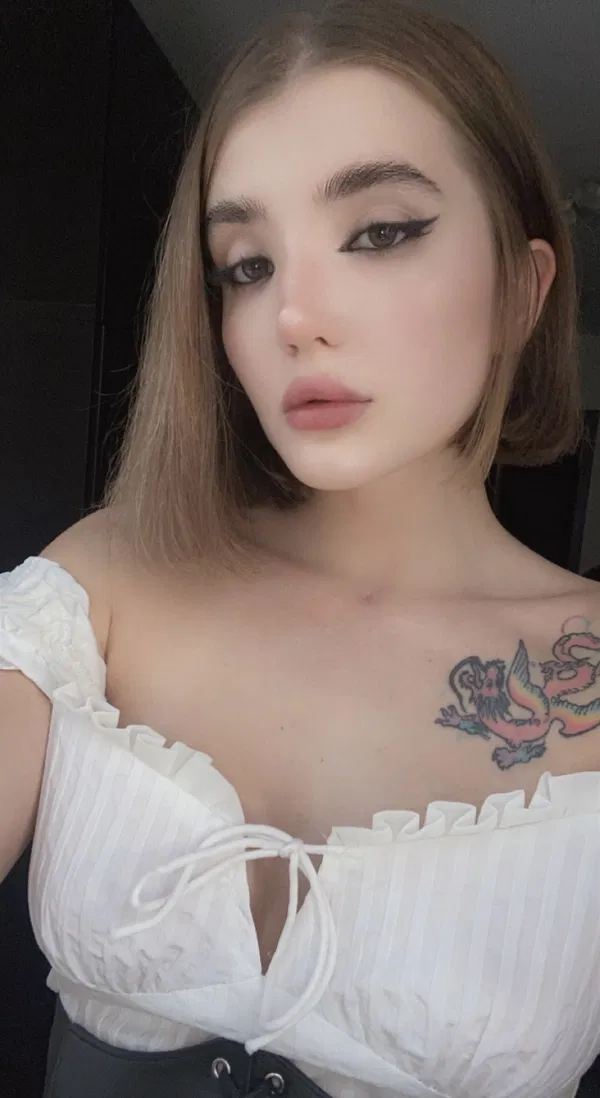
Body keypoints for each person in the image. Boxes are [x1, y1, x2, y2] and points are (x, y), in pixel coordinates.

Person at [1, 1, 599, 1095]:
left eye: (380, 232)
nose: (294, 315)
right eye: (246, 264)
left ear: (523, 289)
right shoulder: (109, 578)